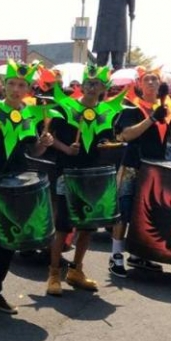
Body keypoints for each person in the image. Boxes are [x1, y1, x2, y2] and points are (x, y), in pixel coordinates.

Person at [0, 61, 54, 325]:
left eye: (22, 85)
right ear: (4, 86)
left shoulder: (30, 115)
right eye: (12, 84)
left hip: (18, 184)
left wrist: (43, 144)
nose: (16, 89)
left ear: (29, 88)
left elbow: (32, 152)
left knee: (10, 239)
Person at [46, 64, 126, 296]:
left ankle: (76, 270)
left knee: (87, 227)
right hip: (67, 173)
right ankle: (53, 273)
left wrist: (109, 146)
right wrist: (65, 148)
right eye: (88, 83)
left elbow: (108, 139)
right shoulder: (66, 108)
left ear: (103, 88)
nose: (91, 87)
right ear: (82, 85)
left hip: (93, 176)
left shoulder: (107, 113)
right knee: (62, 226)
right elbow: (50, 138)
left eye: (96, 84)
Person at [109, 68, 169, 277]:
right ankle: (116, 255)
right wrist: (152, 119)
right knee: (124, 212)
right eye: (147, 79)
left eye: (155, 79)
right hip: (132, 167)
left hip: (155, 169)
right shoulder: (130, 107)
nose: (151, 82)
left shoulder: (165, 108)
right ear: (139, 85)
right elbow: (124, 136)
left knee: (147, 213)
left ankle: (138, 254)